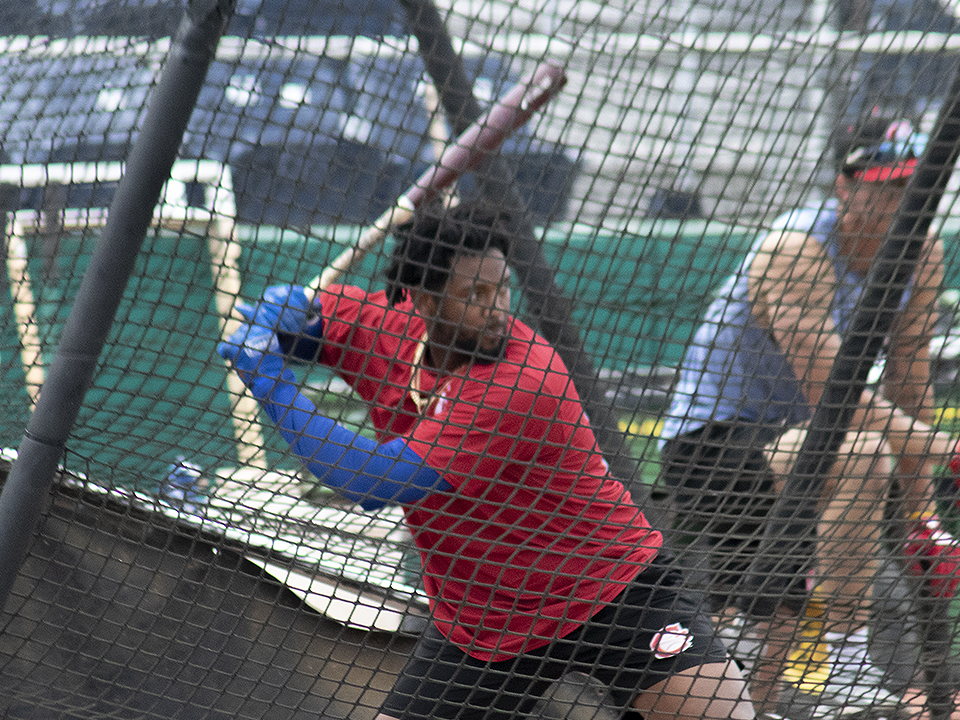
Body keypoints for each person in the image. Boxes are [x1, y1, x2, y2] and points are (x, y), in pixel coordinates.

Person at [218, 202, 755, 720]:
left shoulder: (521, 380)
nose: (497, 309)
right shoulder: (389, 322)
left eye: (501, 289)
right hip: (485, 622)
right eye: (476, 293)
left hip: (611, 589)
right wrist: (285, 320)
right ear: (425, 303)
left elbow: (372, 482)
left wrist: (271, 382)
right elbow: (321, 330)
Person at [658, 114, 960, 714]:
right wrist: (945, 448)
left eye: (917, 187)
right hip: (715, 442)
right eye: (889, 186)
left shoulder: (921, 254)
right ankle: (848, 667)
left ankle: (813, 675)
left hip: (808, 451)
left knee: (761, 660)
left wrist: (923, 511)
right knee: (861, 453)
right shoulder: (796, 249)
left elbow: (908, 377)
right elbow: (834, 392)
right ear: (846, 185)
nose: (907, 201)